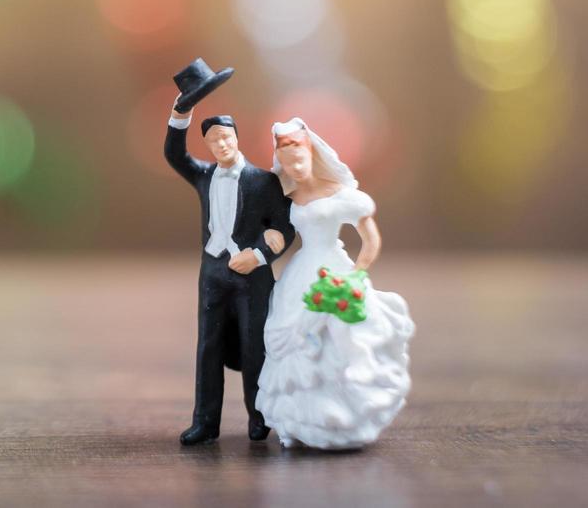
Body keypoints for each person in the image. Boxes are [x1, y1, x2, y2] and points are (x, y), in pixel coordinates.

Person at [255, 117, 415, 450]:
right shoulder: (288, 197)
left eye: (299, 160)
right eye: (288, 163)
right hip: (302, 270)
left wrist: (356, 273)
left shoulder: (342, 194)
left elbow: (369, 240)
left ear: (311, 154)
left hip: (334, 267)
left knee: (342, 334)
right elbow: (277, 230)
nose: (296, 168)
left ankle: (347, 412)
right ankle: (299, 419)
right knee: (292, 336)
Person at [164, 73, 296, 445]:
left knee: (255, 345)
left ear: (237, 138)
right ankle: (205, 421)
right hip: (213, 273)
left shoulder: (263, 181)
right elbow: (174, 155)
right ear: (207, 145)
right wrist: (181, 111)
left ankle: (260, 415)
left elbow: (286, 228)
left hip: (251, 277)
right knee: (208, 347)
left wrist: (258, 255)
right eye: (213, 140)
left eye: (226, 137)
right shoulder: (204, 176)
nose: (221, 144)